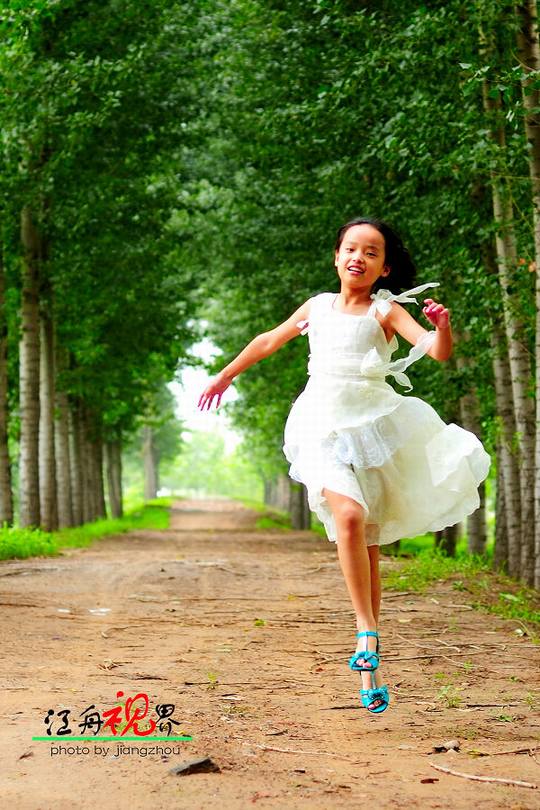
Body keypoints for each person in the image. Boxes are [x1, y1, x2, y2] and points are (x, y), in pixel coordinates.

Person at [198, 216, 491, 715]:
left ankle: (369, 670)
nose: (359, 257)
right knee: (350, 517)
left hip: (372, 429)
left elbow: (436, 352)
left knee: (368, 543)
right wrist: (225, 376)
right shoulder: (317, 307)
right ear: (336, 257)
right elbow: (269, 339)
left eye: (371, 252)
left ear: (384, 268)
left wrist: (443, 327)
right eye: (351, 248)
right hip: (318, 427)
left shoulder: (385, 310)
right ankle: (366, 630)